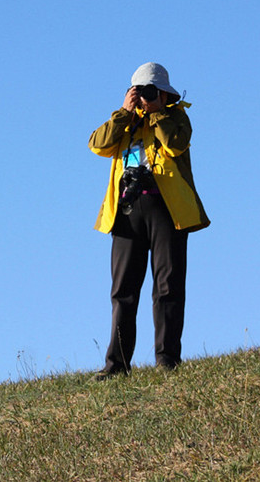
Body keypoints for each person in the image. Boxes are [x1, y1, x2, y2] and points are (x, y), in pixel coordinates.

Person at [88, 62, 209, 381]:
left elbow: (175, 144)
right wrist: (123, 112)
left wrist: (157, 112)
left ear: (166, 94)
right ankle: (116, 365)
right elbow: (98, 145)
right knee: (123, 290)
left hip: (167, 210)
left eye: (152, 92)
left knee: (168, 286)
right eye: (140, 92)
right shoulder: (125, 122)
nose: (145, 97)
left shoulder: (175, 117)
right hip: (127, 210)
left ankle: (167, 359)